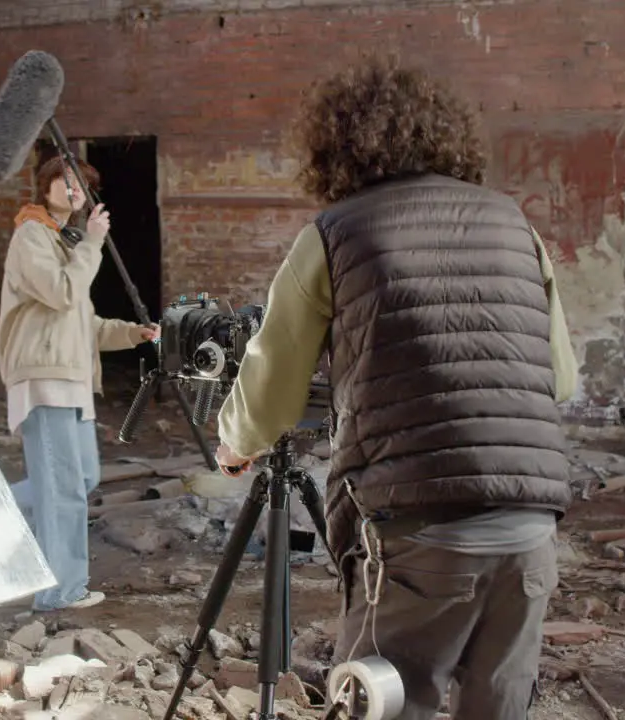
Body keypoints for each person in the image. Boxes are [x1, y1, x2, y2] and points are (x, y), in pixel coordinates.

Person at [213, 57, 578, 720]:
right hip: (529, 528)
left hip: (419, 536)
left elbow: (270, 391)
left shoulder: (335, 233)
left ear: (334, 149)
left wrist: (234, 444)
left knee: (387, 703)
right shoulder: (514, 224)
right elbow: (562, 377)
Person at [0, 155, 159, 612]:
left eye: (81, 186)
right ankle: (60, 591)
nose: (72, 190)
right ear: (44, 185)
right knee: (63, 487)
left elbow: (83, 323)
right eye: (63, 181)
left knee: (80, 478)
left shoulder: (64, 243)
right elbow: (64, 293)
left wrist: (133, 333)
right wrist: (94, 243)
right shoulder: (31, 235)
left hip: (72, 381)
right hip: (44, 378)